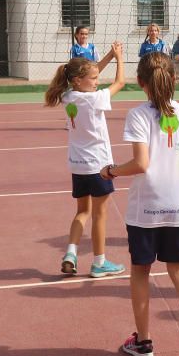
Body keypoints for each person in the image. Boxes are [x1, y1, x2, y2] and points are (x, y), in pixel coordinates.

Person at [101, 53, 179, 356]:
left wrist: (111, 170)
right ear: (173, 80)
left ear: (141, 83)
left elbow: (141, 163)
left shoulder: (139, 115)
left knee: (141, 270)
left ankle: (143, 341)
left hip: (148, 206)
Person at [44, 42, 126, 278]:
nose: (97, 80)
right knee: (100, 214)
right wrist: (119, 58)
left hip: (77, 165)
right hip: (98, 166)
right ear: (78, 80)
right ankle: (99, 262)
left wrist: (109, 55)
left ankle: (70, 253)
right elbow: (120, 83)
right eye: (93, 78)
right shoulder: (94, 99)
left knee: (82, 212)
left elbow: (90, 73)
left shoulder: (68, 95)